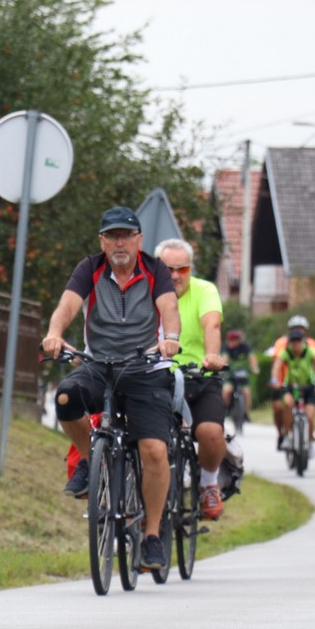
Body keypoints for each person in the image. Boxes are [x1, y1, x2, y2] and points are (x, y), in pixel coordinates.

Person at [41, 206, 181, 570]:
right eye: (112, 236)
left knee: (154, 450)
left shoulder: (155, 269)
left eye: (126, 235)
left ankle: (152, 536)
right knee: (66, 399)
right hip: (99, 365)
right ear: (102, 241)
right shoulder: (90, 268)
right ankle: (91, 460)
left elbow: (169, 308)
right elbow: (68, 305)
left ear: (139, 240)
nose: (120, 243)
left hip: (145, 368)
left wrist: (171, 338)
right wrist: (55, 334)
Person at [156, 237, 228, 519]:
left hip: (198, 377)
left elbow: (212, 324)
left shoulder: (204, 290)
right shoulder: (147, 291)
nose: (175, 276)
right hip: (156, 378)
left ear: (191, 269)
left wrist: (212, 355)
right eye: (168, 269)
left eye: (182, 269)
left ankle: (208, 484)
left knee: (211, 432)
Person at [270, 325, 315, 455]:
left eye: (298, 341)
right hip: (291, 387)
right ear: (290, 342)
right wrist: (274, 380)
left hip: (308, 387)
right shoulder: (286, 352)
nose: (296, 344)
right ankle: (287, 435)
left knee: (310, 416)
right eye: (293, 341)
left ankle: (310, 441)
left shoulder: (309, 351)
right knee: (287, 403)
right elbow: (276, 367)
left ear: (303, 341)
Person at [221, 328, 259, 417]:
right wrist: (223, 366)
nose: (231, 342)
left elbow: (252, 358)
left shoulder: (245, 347)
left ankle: (246, 413)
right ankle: (226, 409)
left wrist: (255, 368)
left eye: (233, 340)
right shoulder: (225, 348)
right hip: (230, 375)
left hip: (242, 375)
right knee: (227, 390)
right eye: (229, 340)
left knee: (247, 393)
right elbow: (224, 359)